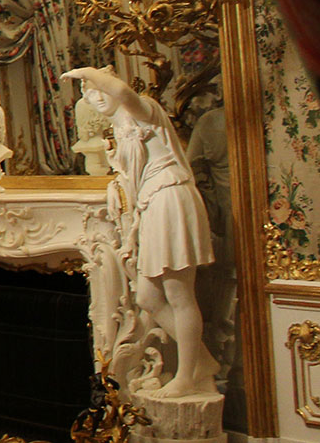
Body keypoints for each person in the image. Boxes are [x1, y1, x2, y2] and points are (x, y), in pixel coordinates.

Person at [61, 66, 218, 397]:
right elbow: (131, 185)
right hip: (150, 204)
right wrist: (132, 234)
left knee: (179, 293)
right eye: (89, 94)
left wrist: (88, 72)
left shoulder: (143, 108)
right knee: (147, 296)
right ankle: (202, 360)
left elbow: (124, 93)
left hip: (171, 197)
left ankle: (187, 376)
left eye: (100, 89)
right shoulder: (118, 127)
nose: (97, 98)